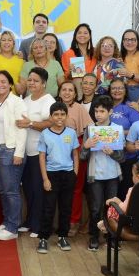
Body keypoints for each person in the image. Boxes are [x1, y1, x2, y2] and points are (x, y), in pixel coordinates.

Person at [81, 95, 125, 251]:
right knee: (95, 208)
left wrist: (112, 152)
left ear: (110, 112)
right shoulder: (90, 129)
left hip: (113, 176)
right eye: (96, 111)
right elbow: (82, 157)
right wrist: (86, 146)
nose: (98, 114)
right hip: (96, 176)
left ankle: (111, 237)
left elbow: (122, 158)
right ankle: (94, 237)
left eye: (102, 111)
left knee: (111, 207)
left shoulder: (116, 130)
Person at [0, 70, 28, 241]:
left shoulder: (16, 102)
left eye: (4, 81)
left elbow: (23, 128)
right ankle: (7, 221)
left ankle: (13, 228)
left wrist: (19, 152)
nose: (0, 85)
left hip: (10, 150)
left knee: (11, 191)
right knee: (2, 189)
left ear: (10, 84)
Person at [18, 67, 56, 238]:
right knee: (28, 189)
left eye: (36, 81)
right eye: (30, 79)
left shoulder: (48, 100)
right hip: (25, 152)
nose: (31, 83)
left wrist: (31, 124)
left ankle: (38, 225)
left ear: (44, 84)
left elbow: (51, 123)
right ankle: (29, 221)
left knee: (38, 189)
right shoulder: (25, 100)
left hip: (39, 153)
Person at [36, 102, 79, 254]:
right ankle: (43, 238)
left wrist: (75, 173)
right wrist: (45, 179)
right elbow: (42, 157)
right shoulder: (45, 134)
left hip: (68, 174)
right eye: (56, 114)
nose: (59, 117)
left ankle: (62, 236)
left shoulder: (71, 133)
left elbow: (75, 154)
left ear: (66, 116)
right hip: (51, 174)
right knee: (48, 207)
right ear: (51, 116)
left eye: (62, 114)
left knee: (66, 208)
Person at [57, 80, 93, 237]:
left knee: (75, 188)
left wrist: (84, 146)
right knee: (57, 187)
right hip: (55, 149)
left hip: (75, 148)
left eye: (70, 90)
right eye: (64, 89)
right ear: (59, 92)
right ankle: (58, 222)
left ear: (75, 93)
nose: (67, 92)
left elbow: (90, 130)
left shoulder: (79, 108)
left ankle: (73, 221)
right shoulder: (53, 107)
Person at [108, 78, 139, 199]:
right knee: (109, 193)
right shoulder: (105, 106)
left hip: (127, 158)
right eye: (114, 88)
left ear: (125, 90)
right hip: (107, 156)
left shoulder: (130, 107)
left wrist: (118, 132)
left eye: (120, 88)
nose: (117, 91)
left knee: (123, 192)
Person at [98, 160, 139, 231]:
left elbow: (125, 210)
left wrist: (117, 201)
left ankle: (112, 230)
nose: (132, 177)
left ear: (138, 177)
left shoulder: (133, 190)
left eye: (132, 175)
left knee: (112, 209)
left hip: (134, 224)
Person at [118, 29, 139, 103]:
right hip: (120, 91)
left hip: (137, 91)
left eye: (133, 39)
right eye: (126, 39)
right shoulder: (119, 56)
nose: (129, 42)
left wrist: (130, 75)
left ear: (137, 41)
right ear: (123, 42)